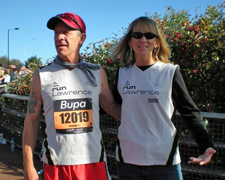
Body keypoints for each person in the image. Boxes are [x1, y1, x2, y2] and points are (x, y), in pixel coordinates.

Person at [112, 16, 216, 180]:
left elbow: (189, 112)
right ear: (130, 42)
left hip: (164, 161)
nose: (143, 39)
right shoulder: (122, 73)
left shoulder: (170, 72)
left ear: (156, 42)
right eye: (137, 35)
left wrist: (206, 145)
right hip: (128, 161)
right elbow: (109, 106)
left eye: (149, 35)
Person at [23, 12, 120, 180]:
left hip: (93, 164)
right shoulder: (42, 75)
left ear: (81, 38)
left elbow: (113, 108)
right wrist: (28, 166)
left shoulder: (97, 72)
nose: (60, 37)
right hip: (56, 166)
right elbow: (31, 121)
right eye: (56, 33)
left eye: (66, 32)